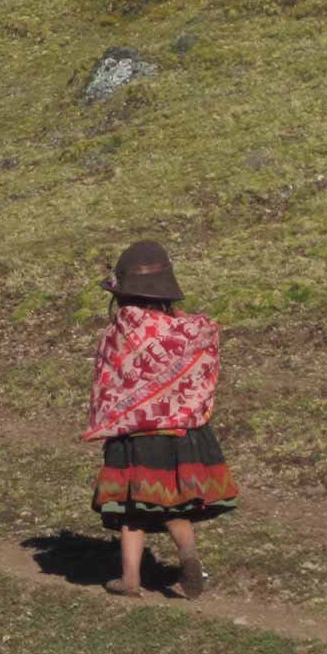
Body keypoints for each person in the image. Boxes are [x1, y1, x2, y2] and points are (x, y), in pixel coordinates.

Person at [83, 240, 238, 599]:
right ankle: (188, 557)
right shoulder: (185, 330)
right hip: (179, 432)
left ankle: (131, 579)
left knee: (131, 511)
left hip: (134, 435)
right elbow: (202, 363)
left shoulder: (120, 331)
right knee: (173, 505)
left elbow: (110, 379)